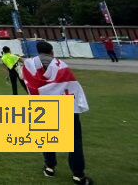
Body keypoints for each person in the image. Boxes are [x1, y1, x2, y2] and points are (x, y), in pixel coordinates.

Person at [22, 41, 93, 185]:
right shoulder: (62, 65)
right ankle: (78, 175)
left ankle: (49, 167)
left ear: (38, 51)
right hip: (66, 107)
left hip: (44, 107)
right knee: (74, 142)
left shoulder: (29, 65)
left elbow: (27, 84)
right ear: (52, 52)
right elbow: (73, 85)